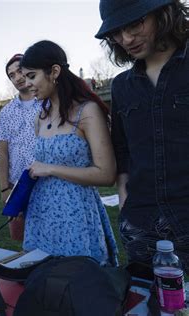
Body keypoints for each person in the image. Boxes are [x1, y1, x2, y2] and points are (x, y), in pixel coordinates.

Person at [95, 0, 189, 270]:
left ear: (164, 12)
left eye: (135, 23)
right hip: (141, 226)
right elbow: (122, 151)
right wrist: (125, 201)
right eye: (116, 31)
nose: (125, 39)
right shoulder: (122, 87)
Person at [21, 40, 118, 265]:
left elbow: (106, 174)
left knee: (77, 282)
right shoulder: (40, 117)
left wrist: (50, 169)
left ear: (54, 71)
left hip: (75, 214)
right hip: (41, 213)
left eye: (32, 76)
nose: (27, 84)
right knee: (44, 281)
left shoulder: (87, 112)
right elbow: (42, 164)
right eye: (25, 78)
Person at [0, 54, 41, 240]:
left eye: (19, 70)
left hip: (47, 179)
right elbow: (3, 153)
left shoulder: (47, 102)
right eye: (11, 75)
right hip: (18, 185)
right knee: (24, 240)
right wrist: (4, 188)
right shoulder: (6, 112)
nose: (17, 77)